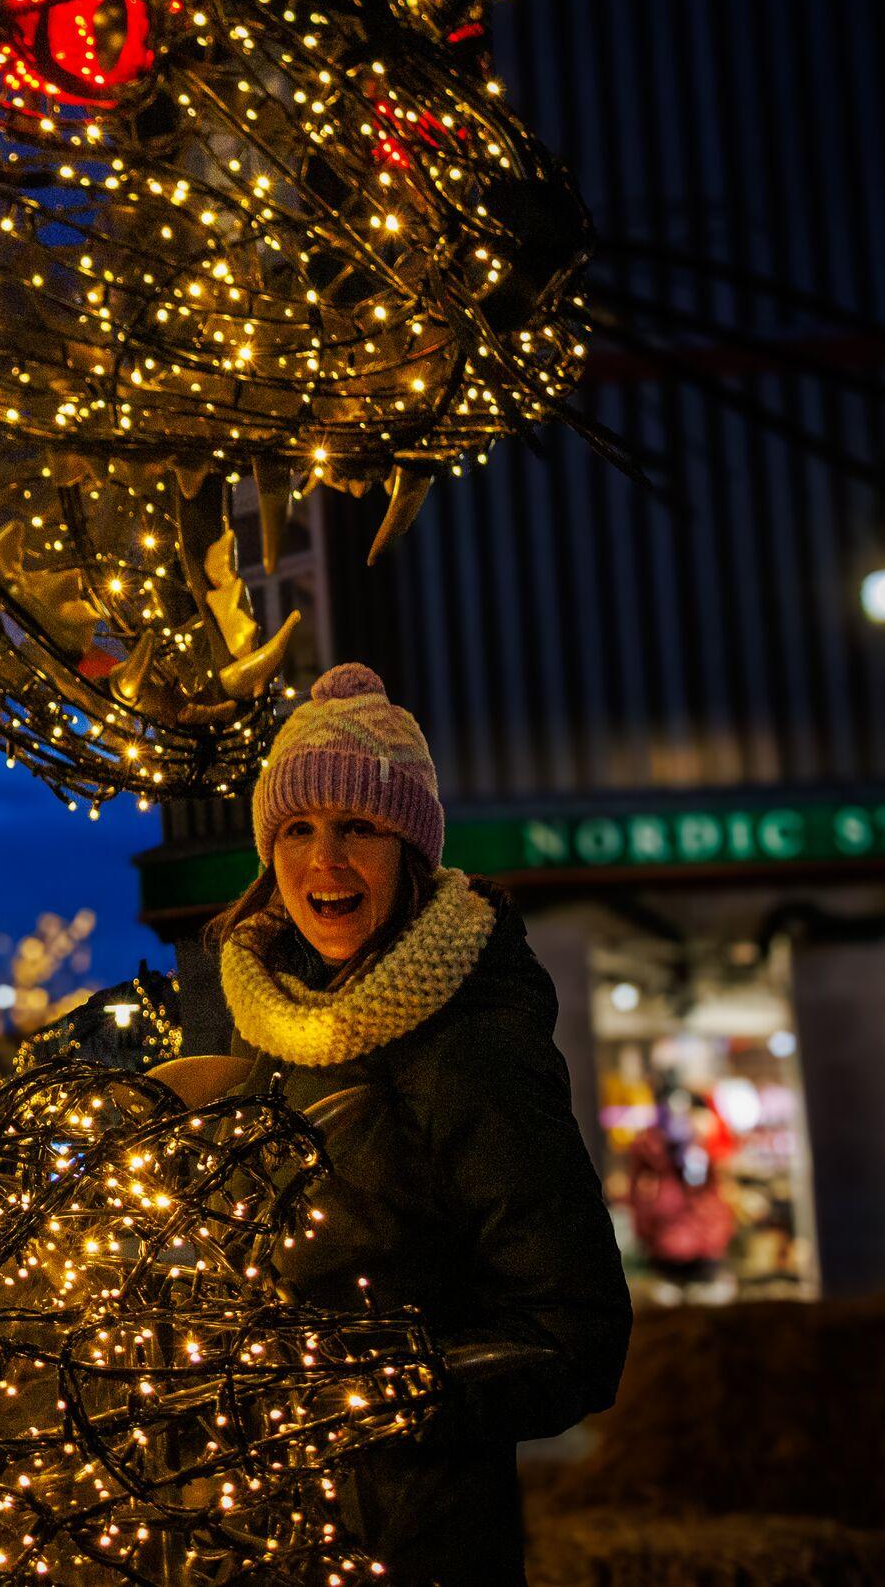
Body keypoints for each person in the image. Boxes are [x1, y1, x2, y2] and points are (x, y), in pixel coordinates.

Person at [182, 663, 631, 1584]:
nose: (324, 861)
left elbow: (576, 1332)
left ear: (412, 852)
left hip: (419, 1546)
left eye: (358, 827)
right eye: (298, 829)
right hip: (264, 1537)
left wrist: (377, 1389)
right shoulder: (257, 1022)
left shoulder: (472, 1044)